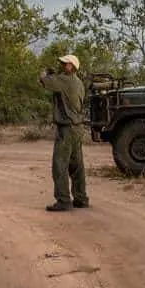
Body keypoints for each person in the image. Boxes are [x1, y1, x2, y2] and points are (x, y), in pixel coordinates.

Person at [38, 54, 89, 211]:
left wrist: (46, 72)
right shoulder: (79, 82)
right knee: (77, 165)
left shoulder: (63, 80)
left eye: (65, 64)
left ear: (72, 66)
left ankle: (63, 200)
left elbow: (43, 81)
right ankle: (80, 198)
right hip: (78, 127)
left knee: (59, 165)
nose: (62, 65)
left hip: (66, 128)